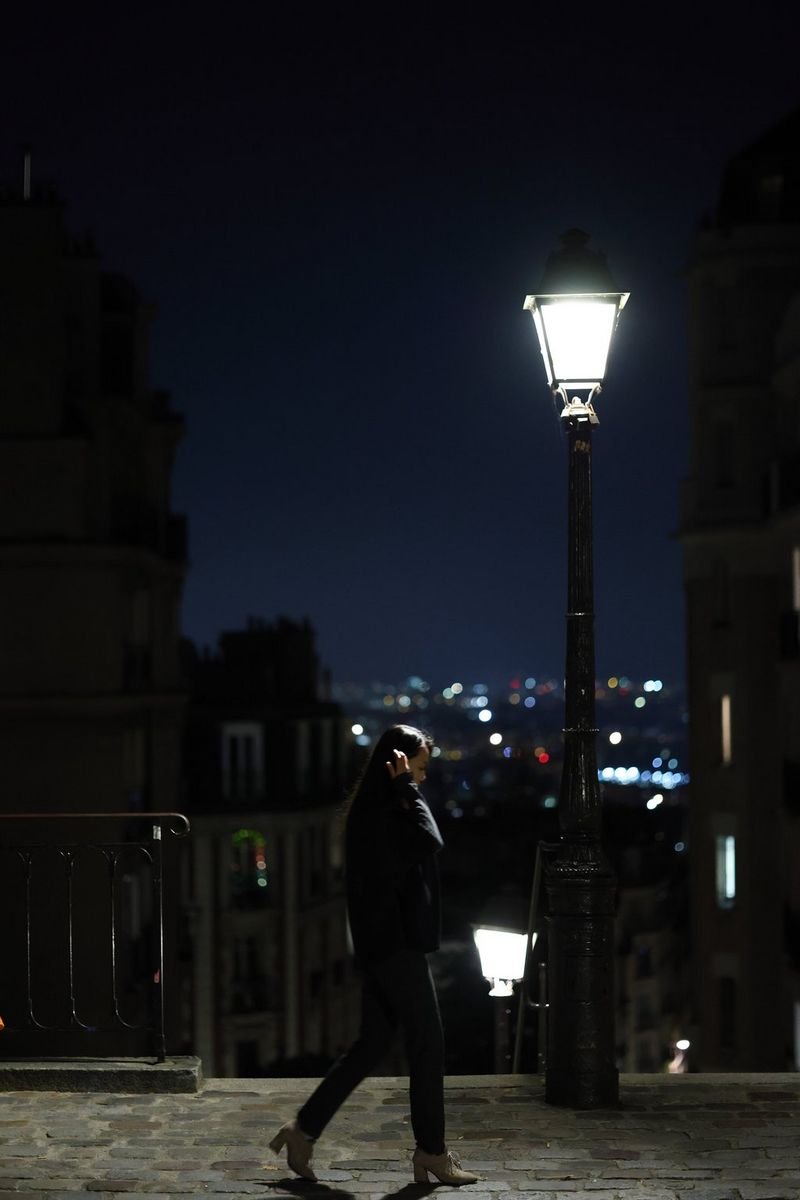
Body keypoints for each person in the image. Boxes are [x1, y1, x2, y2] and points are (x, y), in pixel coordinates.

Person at [269, 723, 477, 1186]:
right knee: (429, 1042)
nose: (421, 779)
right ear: (396, 765)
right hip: (394, 946)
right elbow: (431, 840)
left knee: (372, 1045)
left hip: (385, 944)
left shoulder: (382, 811)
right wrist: (407, 787)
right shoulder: (383, 814)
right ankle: (432, 1152)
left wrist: (406, 791)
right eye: (417, 769)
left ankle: (302, 1130)